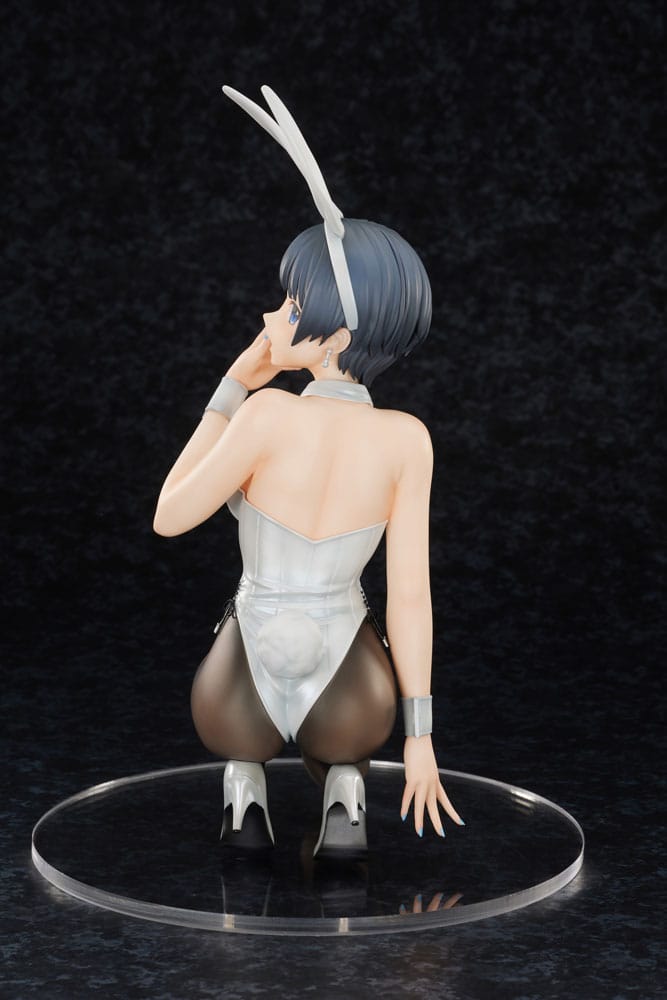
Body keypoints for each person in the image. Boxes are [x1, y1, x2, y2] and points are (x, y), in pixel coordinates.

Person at [153, 87, 463, 856]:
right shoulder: (407, 440)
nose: (269, 318)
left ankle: (243, 791)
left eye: (290, 307)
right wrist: (419, 736)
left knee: (238, 737)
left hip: (238, 693)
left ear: (338, 335)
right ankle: (345, 791)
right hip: (353, 701)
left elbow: (169, 515)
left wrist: (231, 388)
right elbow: (410, 598)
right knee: (347, 737)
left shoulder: (266, 415)